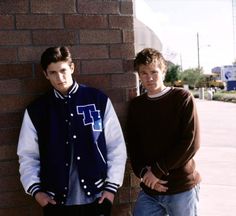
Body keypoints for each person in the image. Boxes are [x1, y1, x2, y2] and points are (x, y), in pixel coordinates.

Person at [17, 46, 127, 216]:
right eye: (52, 72)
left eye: (63, 70)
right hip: (55, 202)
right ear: (45, 74)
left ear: (72, 68)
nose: (59, 77)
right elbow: (27, 155)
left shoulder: (97, 100)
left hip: (97, 197)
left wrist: (111, 189)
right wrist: (37, 192)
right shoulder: (37, 110)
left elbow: (116, 146)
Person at [127, 48, 201, 216]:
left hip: (181, 188)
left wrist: (157, 171)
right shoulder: (137, 105)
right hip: (150, 190)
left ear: (164, 72)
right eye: (143, 73)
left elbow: (191, 142)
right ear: (138, 75)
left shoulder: (182, 98)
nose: (149, 77)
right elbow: (133, 144)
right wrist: (145, 174)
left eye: (154, 71)